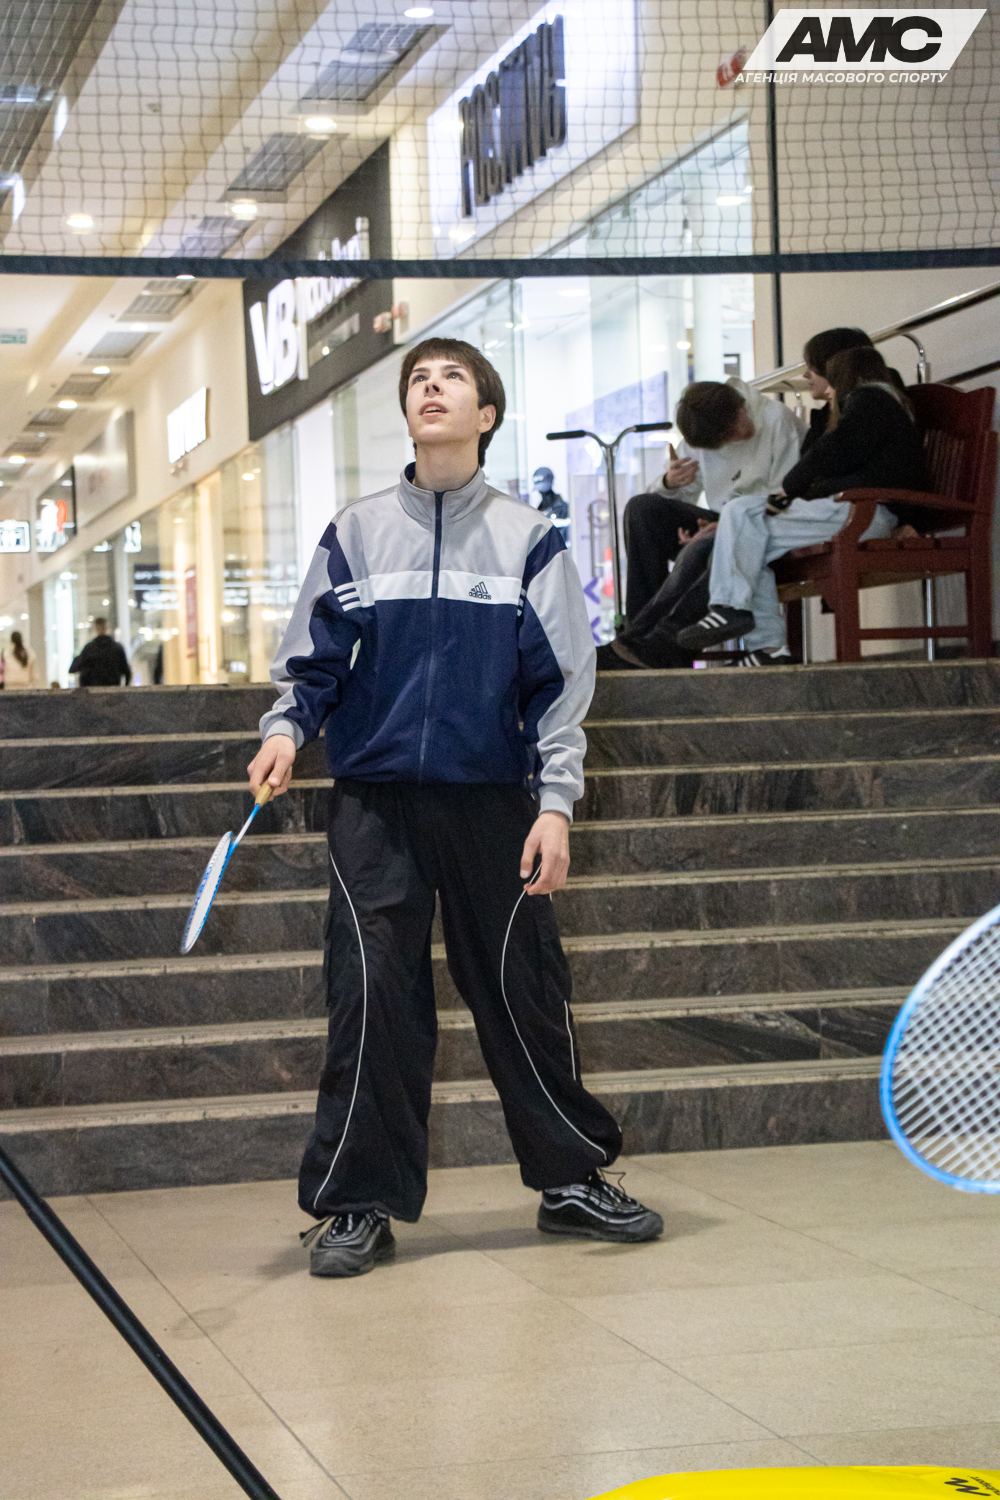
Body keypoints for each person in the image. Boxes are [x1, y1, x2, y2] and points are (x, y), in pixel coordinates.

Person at [247, 336, 663, 1280]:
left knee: (524, 991)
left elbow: (560, 688)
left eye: (452, 379)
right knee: (371, 999)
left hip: (492, 805)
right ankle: (357, 1202)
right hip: (376, 805)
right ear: (408, 412)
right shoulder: (356, 531)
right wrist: (285, 731)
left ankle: (571, 1180)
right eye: (418, 381)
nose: (431, 390)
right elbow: (311, 662)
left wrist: (554, 806)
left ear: (487, 414)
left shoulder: (528, 538)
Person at [678, 346, 928, 664]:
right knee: (749, 538)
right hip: (845, 511)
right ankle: (769, 650)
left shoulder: (870, 400)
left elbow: (831, 455)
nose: (808, 375)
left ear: (838, 370)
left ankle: (729, 608)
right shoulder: (858, 408)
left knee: (740, 513)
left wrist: (787, 490)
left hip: (863, 512)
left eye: (814, 368)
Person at [602, 378, 804, 669]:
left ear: (740, 407)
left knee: (708, 546)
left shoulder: (777, 420)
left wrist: (726, 527)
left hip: (769, 521)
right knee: (642, 509)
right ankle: (639, 638)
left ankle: (648, 645)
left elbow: (789, 495)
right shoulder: (703, 432)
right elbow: (682, 493)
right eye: (727, 437)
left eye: (734, 427)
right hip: (725, 518)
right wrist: (670, 483)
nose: (740, 434)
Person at [69, 618, 132, 686]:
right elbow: (127, 672)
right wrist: (124, 688)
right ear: (107, 629)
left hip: (92, 690)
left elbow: (73, 668)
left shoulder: (89, 649)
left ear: (95, 629)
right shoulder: (117, 648)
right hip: (113, 689)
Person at [532, 466, 570, 543]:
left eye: (545, 492)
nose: (542, 493)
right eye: (540, 491)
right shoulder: (538, 509)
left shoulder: (563, 509)